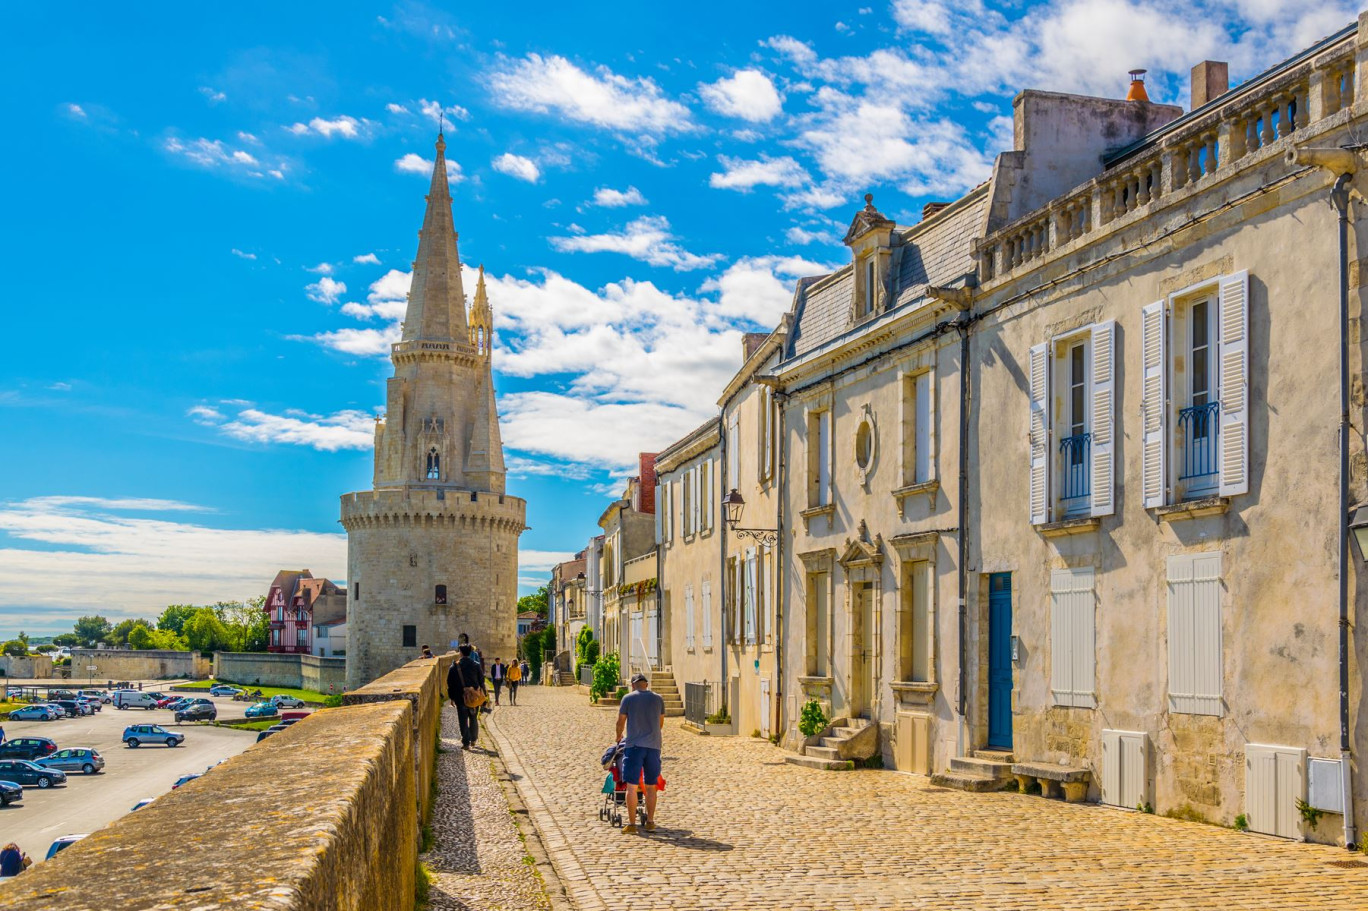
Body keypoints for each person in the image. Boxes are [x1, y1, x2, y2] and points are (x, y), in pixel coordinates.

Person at [615, 672, 665, 834]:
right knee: (651, 786)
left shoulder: (628, 698)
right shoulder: (658, 699)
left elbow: (621, 721)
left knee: (631, 786)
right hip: (654, 746)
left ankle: (632, 824)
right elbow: (661, 723)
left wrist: (618, 736)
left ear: (633, 685)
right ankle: (650, 822)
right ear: (646, 684)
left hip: (634, 746)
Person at [448, 644, 487, 750]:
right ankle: (473, 739)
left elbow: (450, 683)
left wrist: (451, 697)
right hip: (474, 696)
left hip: (460, 697)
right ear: (470, 652)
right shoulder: (476, 665)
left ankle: (466, 742)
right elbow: (481, 681)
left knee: (462, 719)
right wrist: (485, 695)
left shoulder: (455, 666)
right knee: (473, 717)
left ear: (460, 652)